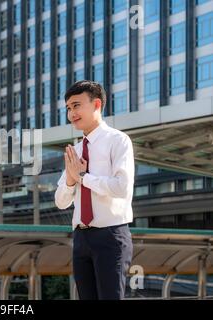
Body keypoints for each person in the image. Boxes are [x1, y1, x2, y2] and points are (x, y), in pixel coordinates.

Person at [54, 80, 134, 300]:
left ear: (96, 104)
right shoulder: (76, 150)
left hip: (110, 235)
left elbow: (121, 187)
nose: (71, 113)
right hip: (81, 238)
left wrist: (83, 177)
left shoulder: (118, 141)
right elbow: (61, 202)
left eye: (77, 105)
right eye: (68, 108)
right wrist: (71, 179)